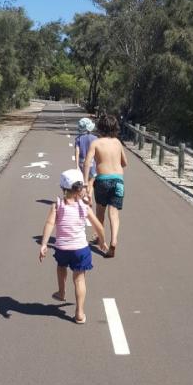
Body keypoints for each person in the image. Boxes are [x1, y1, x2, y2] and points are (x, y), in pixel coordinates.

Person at [39, 169, 107, 324]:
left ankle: (62, 291)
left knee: (61, 266)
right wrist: (102, 241)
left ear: (63, 188)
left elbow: (50, 223)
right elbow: (99, 227)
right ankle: (79, 313)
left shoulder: (57, 205)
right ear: (80, 188)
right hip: (80, 249)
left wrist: (44, 244)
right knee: (79, 279)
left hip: (62, 248)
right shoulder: (84, 207)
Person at [83, 112, 128, 258]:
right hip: (119, 181)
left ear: (100, 128)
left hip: (102, 180)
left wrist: (85, 183)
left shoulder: (96, 143)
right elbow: (125, 163)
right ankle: (113, 241)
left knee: (100, 212)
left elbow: (87, 163)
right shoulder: (118, 143)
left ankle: (99, 238)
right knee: (114, 214)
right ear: (115, 128)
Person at [74, 116, 97, 203]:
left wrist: (76, 165)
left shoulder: (78, 138)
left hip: (82, 162)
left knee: (84, 181)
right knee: (91, 181)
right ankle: (89, 194)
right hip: (92, 162)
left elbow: (77, 151)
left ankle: (84, 197)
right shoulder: (95, 138)